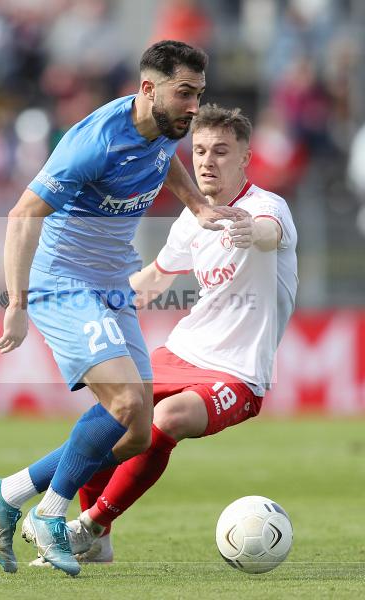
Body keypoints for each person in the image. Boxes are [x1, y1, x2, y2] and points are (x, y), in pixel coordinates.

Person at [0, 41, 244, 577]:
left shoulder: (165, 129)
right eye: (184, 94)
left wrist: (198, 205)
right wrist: (16, 304)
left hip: (110, 280)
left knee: (137, 432)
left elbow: (165, 164)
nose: (193, 107)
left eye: (198, 94)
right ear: (148, 90)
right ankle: (50, 515)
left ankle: (9, 493)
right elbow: (22, 213)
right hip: (62, 280)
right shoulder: (94, 142)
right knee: (123, 402)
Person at [28, 103, 299, 564]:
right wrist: (84, 299)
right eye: (198, 151)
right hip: (181, 351)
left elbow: (269, 234)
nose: (207, 161)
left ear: (245, 158)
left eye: (220, 151)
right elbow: (152, 279)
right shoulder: (193, 218)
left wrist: (248, 229)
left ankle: (86, 525)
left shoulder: (266, 207)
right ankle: (98, 540)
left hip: (237, 372)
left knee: (168, 418)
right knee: (114, 414)